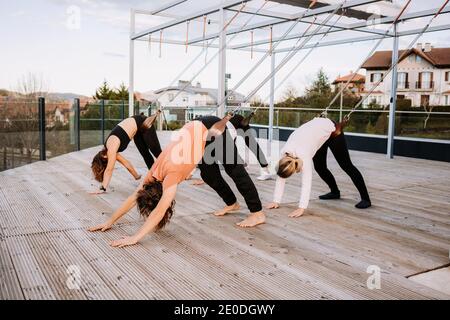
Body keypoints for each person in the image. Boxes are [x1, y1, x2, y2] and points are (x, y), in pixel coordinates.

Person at [88, 114, 234, 248]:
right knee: (209, 174)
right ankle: (233, 203)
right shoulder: (153, 172)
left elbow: (160, 210)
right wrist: (109, 221)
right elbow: (133, 197)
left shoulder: (172, 175)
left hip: (209, 128)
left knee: (233, 167)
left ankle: (253, 210)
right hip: (193, 128)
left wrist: (135, 237)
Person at [266, 117, 371, 218]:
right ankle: (335, 192)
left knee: (346, 165)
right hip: (316, 136)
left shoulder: (304, 155)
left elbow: (306, 182)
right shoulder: (284, 152)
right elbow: (281, 175)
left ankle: (366, 198)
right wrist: (276, 200)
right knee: (320, 167)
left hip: (332, 131)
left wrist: (302, 208)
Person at [196, 115, 266, 228]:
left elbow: (252, 143)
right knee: (208, 175)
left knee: (236, 172)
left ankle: (257, 213)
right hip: (206, 135)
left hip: (217, 134)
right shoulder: (227, 123)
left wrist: (264, 163)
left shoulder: (239, 125)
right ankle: (232, 203)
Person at [90, 112, 162, 194]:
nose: (108, 165)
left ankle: (169, 172)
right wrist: (136, 176)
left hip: (143, 122)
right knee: (145, 154)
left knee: (157, 152)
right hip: (137, 130)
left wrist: (102, 188)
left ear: (103, 159)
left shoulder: (111, 148)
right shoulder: (110, 149)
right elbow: (126, 163)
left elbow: (109, 170)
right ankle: (155, 178)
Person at [229, 113, 272, 181]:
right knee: (232, 149)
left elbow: (244, 123)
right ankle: (244, 165)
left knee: (254, 147)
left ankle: (266, 171)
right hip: (235, 125)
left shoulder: (233, 124)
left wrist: (249, 116)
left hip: (239, 125)